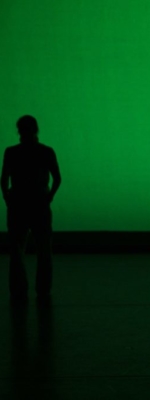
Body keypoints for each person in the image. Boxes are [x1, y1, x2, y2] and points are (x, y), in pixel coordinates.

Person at [1, 115, 61, 305]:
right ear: (36, 129)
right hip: (39, 204)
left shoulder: (11, 152)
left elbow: (4, 179)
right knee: (44, 249)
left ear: (20, 131)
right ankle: (43, 289)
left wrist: (7, 198)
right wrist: (49, 196)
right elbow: (57, 178)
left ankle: (19, 290)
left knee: (17, 250)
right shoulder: (46, 151)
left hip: (18, 203)